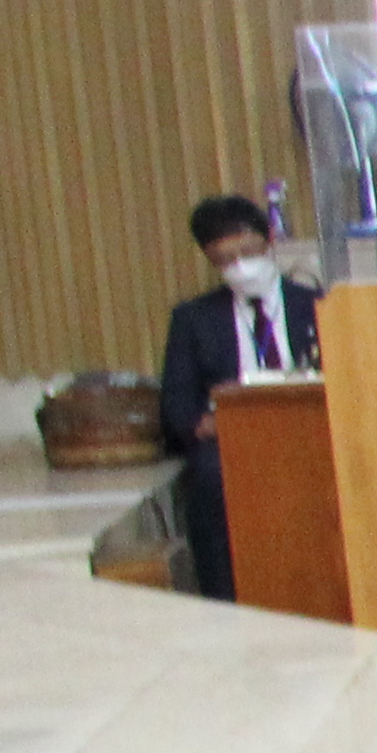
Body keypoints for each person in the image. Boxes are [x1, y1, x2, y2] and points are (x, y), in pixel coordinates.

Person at [158, 193, 321, 601]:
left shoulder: (315, 305)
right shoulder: (193, 319)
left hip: (307, 426)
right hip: (233, 438)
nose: (240, 267)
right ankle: (225, 597)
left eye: (247, 252)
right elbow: (176, 405)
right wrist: (208, 424)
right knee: (210, 477)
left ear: (268, 241)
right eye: (225, 261)